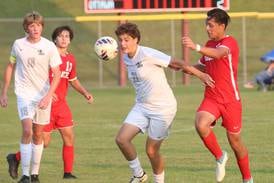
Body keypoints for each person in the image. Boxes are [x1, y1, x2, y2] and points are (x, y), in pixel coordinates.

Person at [114, 22, 215, 183]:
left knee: (151, 151)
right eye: (120, 40)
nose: (123, 44)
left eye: (126, 40)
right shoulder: (126, 57)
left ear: (136, 40)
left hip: (163, 108)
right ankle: (139, 175)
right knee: (121, 139)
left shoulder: (147, 53)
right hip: (141, 106)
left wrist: (200, 75)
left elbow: (178, 63)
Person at [6, 25, 94, 180]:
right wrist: (47, 93)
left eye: (67, 36)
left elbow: (73, 80)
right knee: (43, 141)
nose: (64, 38)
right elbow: (36, 76)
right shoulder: (46, 54)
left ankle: (67, 173)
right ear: (54, 39)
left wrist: (85, 92)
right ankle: (16, 157)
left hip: (61, 106)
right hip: (44, 103)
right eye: (61, 36)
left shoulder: (70, 59)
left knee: (69, 136)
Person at [182, 8, 253, 183]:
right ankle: (220, 157)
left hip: (230, 101)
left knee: (235, 141)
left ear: (222, 26)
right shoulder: (209, 44)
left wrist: (196, 47)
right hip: (212, 97)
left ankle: (247, 179)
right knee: (201, 124)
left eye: (211, 25)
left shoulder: (230, 43)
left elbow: (218, 54)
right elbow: (201, 66)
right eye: (207, 24)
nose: (208, 28)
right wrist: (182, 66)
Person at [0, 11, 62, 183]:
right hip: (24, 94)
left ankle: (35, 174)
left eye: (39, 25)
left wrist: (48, 95)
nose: (35, 29)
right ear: (26, 27)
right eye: (32, 26)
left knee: (38, 134)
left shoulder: (49, 46)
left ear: (42, 27)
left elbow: (57, 74)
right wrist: (4, 92)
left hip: (43, 96)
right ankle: (25, 175)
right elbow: (10, 66)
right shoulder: (18, 44)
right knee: (27, 130)